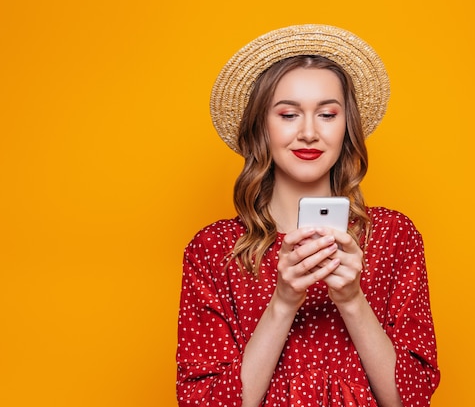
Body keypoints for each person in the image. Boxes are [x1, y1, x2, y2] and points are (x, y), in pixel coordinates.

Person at [176, 24, 440, 407]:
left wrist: (351, 299)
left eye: (327, 114)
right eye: (288, 115)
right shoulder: (214, 250)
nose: (309, 133)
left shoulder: (394, 236)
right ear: (260, 127)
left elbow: (411, 399)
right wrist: (283, 302)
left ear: (346, 126)